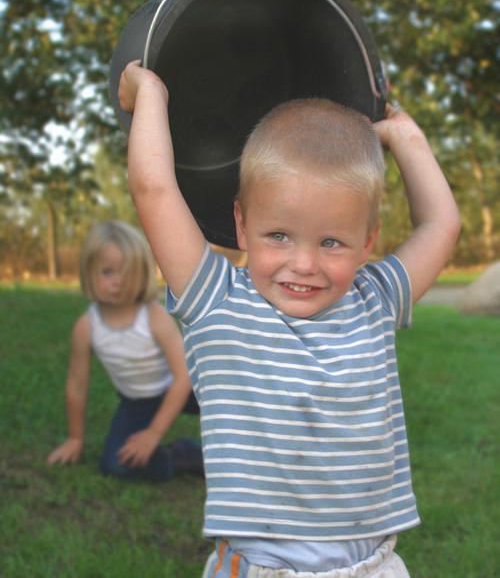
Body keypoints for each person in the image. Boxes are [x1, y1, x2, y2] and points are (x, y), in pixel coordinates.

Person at [118, 60, 461, 577]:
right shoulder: (216, 300)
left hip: (372, 566)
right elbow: (154, 188)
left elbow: (442, 224)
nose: (304, 263)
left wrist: (404, 136)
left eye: (332, 242)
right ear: (241, 221)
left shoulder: (375, 299)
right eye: (278, 235)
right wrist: (151, 91)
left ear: (367, 241)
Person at [47, 220, 204, 482]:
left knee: (232, 402)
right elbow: (76, 386)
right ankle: (182, 454)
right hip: (139, 401)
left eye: (127, 272)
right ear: (88, 272)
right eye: (107, 272)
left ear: (142, 272)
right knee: (116, 464)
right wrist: (75, 438)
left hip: (188, 388)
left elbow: (184, 377)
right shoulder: (86, 327)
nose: (117, 282)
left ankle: (251, 450)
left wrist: (154, 433)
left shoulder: (154, 316)